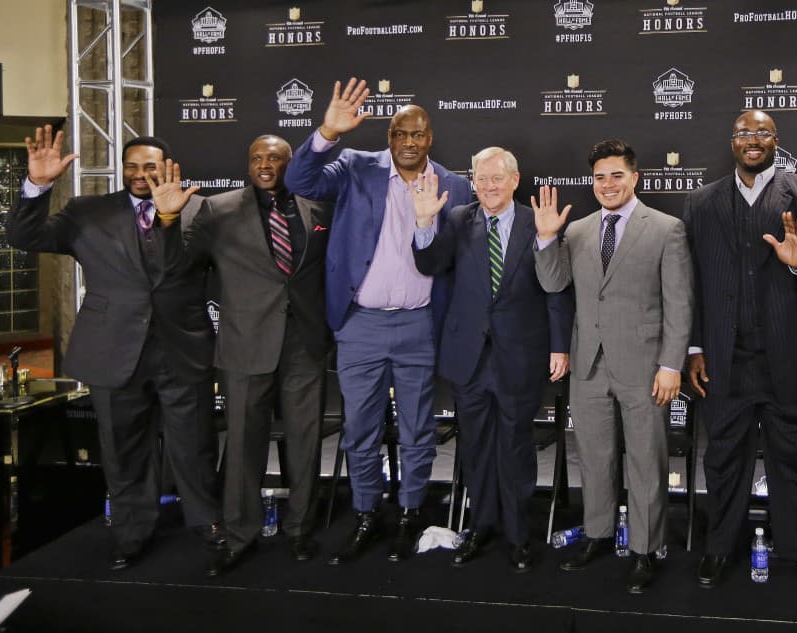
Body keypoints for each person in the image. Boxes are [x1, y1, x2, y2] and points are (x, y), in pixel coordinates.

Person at [6, 126, 222, 570]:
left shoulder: (199, 210)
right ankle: (131, 531)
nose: (141, 174)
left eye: (151, 166)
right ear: (124, 169)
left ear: (167, 168)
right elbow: (24, 237)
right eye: (133, 166)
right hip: (113, 349)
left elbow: (176, 266)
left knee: (193, 444)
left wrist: (167, 220)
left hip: (181, 347)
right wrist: (38, 186)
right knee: (122, 448)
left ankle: (207, 524)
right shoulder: (87, 212)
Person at [284, 79, 474, 565]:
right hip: (360, 325)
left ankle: (410, 513)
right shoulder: (355, 167)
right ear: (389, 138)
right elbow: (299, 181)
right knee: (360, 430)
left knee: (417, 430)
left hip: (420, 326)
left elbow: (462, 261)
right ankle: (367, 513)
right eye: (398, 134)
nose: (408, 142)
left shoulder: (453, 185)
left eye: (418, 134)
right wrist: (327, 132)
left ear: (431, 138)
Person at [151, 135, 332, 575]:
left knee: (306, 445)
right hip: (244, 344)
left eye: (274, 157)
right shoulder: (218, 209)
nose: (265, 164)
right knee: (243, 447)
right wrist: (169, 217)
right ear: (248, 164)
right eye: (256, 157)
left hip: (304, 345)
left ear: (292, 163)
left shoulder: (318, 207)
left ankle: (300, 530)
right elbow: (174, 264)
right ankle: (238, 535)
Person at [682, 110, 797, 597]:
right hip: (723, 359)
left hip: (792, 359)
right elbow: (688, 280)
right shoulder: (702, 201)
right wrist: (693, 345)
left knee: (796, 463)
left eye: (762, 133)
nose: (752, 141)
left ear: (777, 140)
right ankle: (719, 546)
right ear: (732, 142)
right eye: (743, 134)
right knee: (723, 460)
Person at [532, 139, 692, 594]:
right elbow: (554, 282)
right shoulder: (578, 230)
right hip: (588, 365)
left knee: (646, 461)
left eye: (616, 175)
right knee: (596, 458)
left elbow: (680, 304)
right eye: (599, 176)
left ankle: (645, 549)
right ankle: (598, 535)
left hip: (645, 367)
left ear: (635, 177)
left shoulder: (666, 228)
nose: (607, 184)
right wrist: (546, 239)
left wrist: (671, 364)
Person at [412, 146, 573, 571]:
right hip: (469, 358)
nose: (488, 187)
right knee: (477, 447)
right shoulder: (457, 218)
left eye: (496, 179)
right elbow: (428, 263)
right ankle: (479, 526)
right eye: (481, 179)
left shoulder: (535, 222)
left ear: (515, 181)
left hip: (519, 355)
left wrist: (560, 346)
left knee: (516, 446)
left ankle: (519, 534)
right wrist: (425, 221)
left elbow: (555, 291)